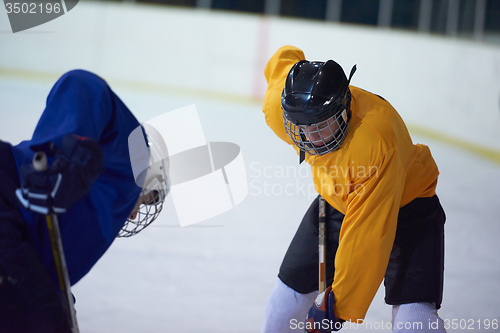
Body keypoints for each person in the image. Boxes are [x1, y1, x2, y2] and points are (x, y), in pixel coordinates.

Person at [261, 45, 446, 332]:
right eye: (301, 126)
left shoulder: (375, 142)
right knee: (283, 309)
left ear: (344, 111)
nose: (309, 138)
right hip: (334, 204)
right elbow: (283, 62)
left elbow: (367, 235)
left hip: (408, 210)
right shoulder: (280, 108)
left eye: (320, 125)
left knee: (414, 321)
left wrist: (339, 305)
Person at [0, 70, 169, 333]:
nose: (135, 215)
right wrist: (71, 160)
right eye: (146, 199)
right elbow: (83, 84)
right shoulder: (131, 161)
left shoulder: (98, 212)